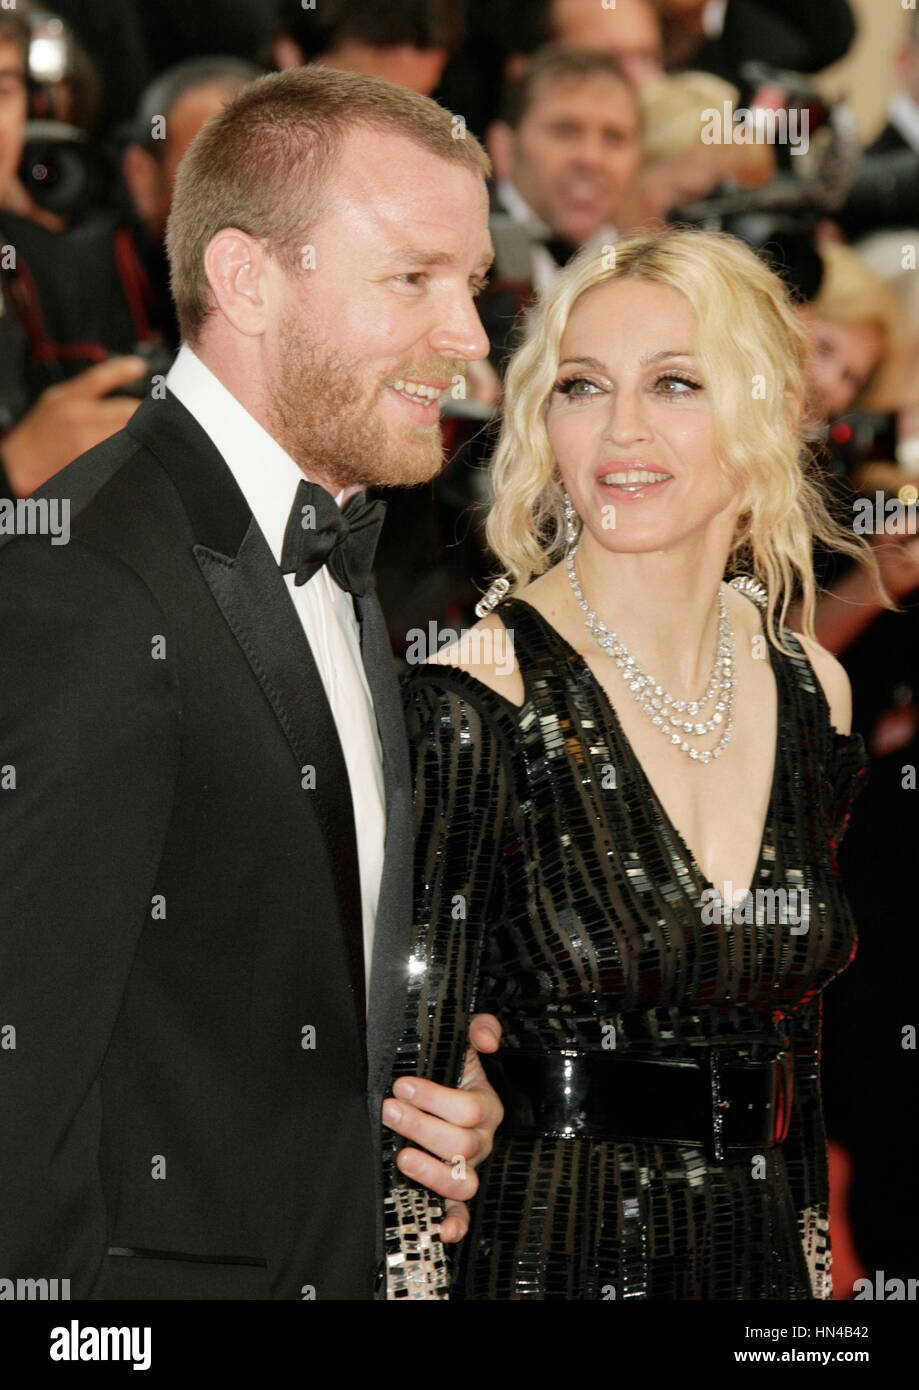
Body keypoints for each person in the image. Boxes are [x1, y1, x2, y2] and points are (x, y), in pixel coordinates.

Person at [0, 65, 503, 1301]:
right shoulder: (87, 576)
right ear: (247, 279)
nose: (472, 340)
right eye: (413, 279)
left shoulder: (341, 545)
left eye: (474, 285)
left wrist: (427, 1100)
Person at [390, 226, 879, 1299]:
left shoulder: (813, 693)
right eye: (581, 386)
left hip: (759, 1269)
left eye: (673, 382)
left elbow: (795, 1046)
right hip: (541, 1253)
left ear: (759, 411)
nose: (621, 430)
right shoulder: (476, 695)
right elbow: (408, 1115)